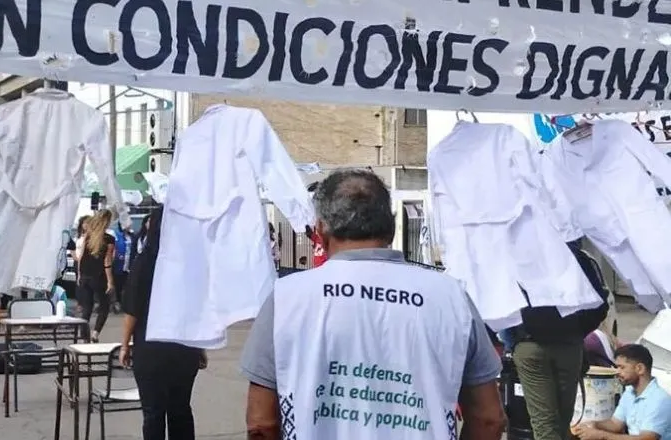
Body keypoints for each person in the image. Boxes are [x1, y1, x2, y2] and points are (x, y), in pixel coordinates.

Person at [240, 169, 505, 439]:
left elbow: (262, 423)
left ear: (320, 229)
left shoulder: (287, 298)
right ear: (390, 225)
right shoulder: (451, 297)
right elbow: (488, 419)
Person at [500, 238, 609, 440]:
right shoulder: (579, 258)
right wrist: (578, 330)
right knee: (561, 420)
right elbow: (601, 304)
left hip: (530, 344)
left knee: (545, 423)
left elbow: (502, 302)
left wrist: (512, 341)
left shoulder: (518, 256)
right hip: (567, 344)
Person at [120, 207, 206, 439]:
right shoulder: (190, 263)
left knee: (153, 412)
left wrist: (125, 344)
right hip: (184, 346)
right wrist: (200, 345)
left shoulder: (145, 261)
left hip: (151, 347)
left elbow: (133, 309)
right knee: (181, 409)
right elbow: (197, 308)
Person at [574, 344, 671, 440]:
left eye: (622, 367)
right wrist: (594, 424)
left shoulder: (660, 400)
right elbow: (616, 424)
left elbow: (646, 438)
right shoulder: (630, 392)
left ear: (640, 369)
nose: (617, 372)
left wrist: (600, 435)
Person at [77, 210, 115, 342]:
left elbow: (81, 257)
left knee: (87, 307)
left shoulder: (88, 236)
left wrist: (79, 275)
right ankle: (95, 333)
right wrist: (110, 281)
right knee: (104, 306)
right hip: (99, 276)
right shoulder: (109, 239)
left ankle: (83, 336)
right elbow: (107, 261)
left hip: (85, 275)